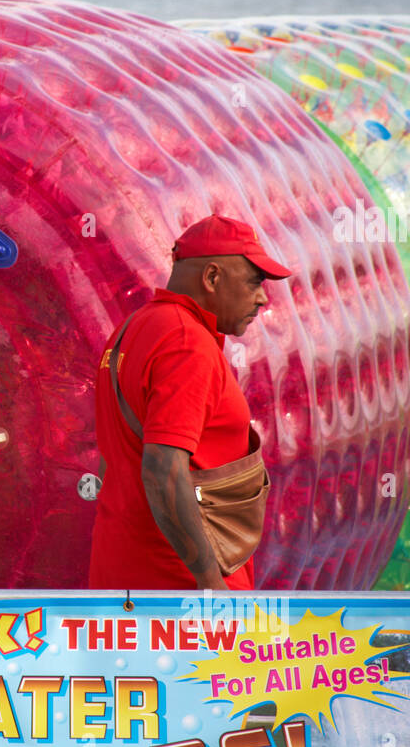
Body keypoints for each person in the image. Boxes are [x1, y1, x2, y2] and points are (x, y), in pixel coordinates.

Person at [89, 214, 291, 591]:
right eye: (254, 282)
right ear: (212, 277)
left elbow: (112, 460)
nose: (263, 298)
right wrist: (212, 586)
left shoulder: (131, 329)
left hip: (123, 579)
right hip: (178, 597)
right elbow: (162, 468)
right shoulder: (187, 343)